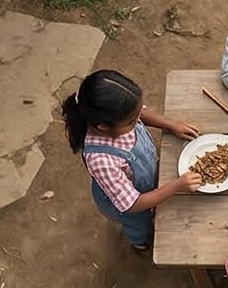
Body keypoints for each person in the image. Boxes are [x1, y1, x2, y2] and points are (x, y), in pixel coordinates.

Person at [61, 70, 202, 250]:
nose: (138, 120)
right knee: (139, 225)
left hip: (145, 184)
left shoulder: (120, 116)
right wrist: (176, 186)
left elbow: (140, 113)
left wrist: (170, 124)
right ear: (103, 126)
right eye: (132, 121)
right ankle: (140, 244)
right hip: (131, 205)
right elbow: (133, 205)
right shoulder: (101, 160)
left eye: (137, 116)